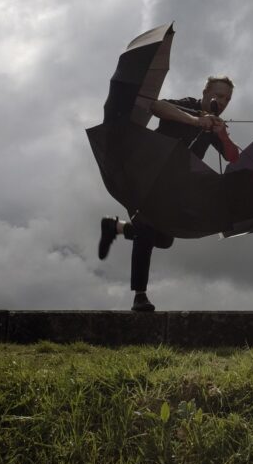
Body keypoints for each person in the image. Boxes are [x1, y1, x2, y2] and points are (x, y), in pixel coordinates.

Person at [97, 75, 241, 311]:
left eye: (227, 98)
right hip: (148, 172)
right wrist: (196, 121)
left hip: (175, 185)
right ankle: (139, 296)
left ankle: (115, 227)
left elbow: (233, 157)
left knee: (164, 239)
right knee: (146, 228)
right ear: (205, 93)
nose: (222, 101)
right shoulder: (189, 105)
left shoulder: (215, 125)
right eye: (217, 95)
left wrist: (222, 136)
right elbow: (156, 106)